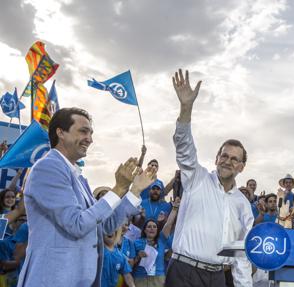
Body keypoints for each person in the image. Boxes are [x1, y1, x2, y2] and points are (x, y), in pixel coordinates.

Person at [17, 107, 156, 287]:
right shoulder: (47, 168)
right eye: (83, 131)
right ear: (61, 132)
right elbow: (77, 224)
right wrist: (119, 187)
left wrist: (134, 190)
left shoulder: (79, 178)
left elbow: (107, 225)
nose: (89, 139)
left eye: (90, 133)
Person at [164, 69, 253, 287]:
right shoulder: (197, 179)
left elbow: (241, 254)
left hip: (217, 278)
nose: (227, 161)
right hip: (183, 272)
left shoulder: (242, 205)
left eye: (234, 159)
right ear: (216, 158)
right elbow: (184, 148)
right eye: (224, 155)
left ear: (241, 167)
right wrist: (186, 107)